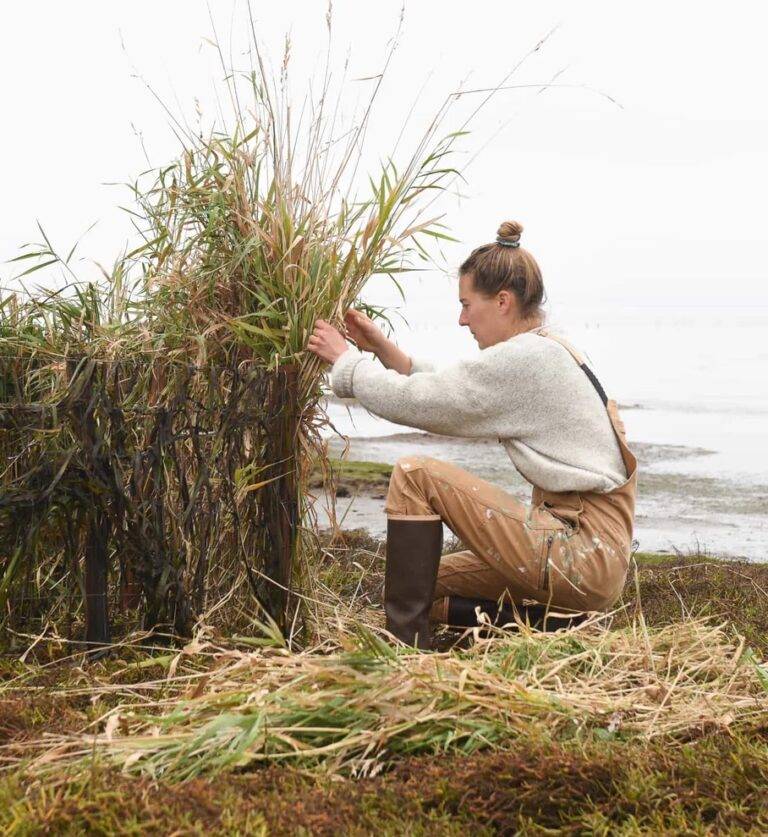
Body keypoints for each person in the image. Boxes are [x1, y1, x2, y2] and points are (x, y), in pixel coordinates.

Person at [307, 220, 637, 650]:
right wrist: (383, 352)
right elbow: (454, 387)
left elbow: (427, 403)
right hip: (590, 555)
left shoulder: (529, 359)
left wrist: (346, 362)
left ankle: (405, 653)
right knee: (430, 583)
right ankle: (558, 628)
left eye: (467, 304)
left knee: (415, 474)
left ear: (502, 301)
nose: (462, 320)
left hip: (580, 550)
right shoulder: (547, 348)